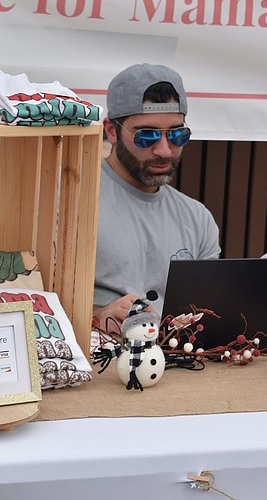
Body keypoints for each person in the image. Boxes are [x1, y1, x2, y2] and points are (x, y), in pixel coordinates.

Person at [94, 63, 221, 332]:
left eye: (177, 135)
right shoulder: (71, 204)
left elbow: (209, 310)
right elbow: (35, 299)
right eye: (147, 136)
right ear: (111, 131)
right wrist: (95, 316)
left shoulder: (197, 218)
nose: (164, 150)